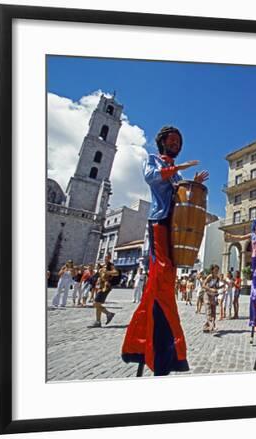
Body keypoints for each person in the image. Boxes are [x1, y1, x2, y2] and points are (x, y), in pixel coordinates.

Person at [121, 125, 209, 376]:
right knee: (162, 274)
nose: (176, 144)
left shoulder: (176, 175)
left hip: (175, 224)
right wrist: (178, 170)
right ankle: (167, 346)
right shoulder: (153, 160)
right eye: (172, 140)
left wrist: (193, 183)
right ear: (162, 142)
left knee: (162, 282)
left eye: (179, 141)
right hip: (159, 221)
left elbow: (180, 195)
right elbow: (152, 177)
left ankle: (140, 345)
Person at [89, 254, 117, 327]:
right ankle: (98, 322)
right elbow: (98, 275)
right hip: (100, 286)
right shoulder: (102, 265)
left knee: (95, 303)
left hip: (106, 286)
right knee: (98, 303)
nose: (105, 258)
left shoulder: (110, 265)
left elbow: (116, 273)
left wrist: (107, 272)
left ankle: (109, 314)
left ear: (110, 258)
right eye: (105, 257)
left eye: (107, 257)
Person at [203, 265, 221, 332]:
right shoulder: (210, 276)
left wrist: (222, 288)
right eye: (215, 270)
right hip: (207, 295)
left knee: (213, 311)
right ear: (212, 270)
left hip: (213, 296)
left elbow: (216, 287)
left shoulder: (218, 278)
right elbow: (203, 285)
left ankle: (206, 327)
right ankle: (212, 326)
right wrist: (210, 289)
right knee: (209, 311)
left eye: (217, 270)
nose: (217, 271)